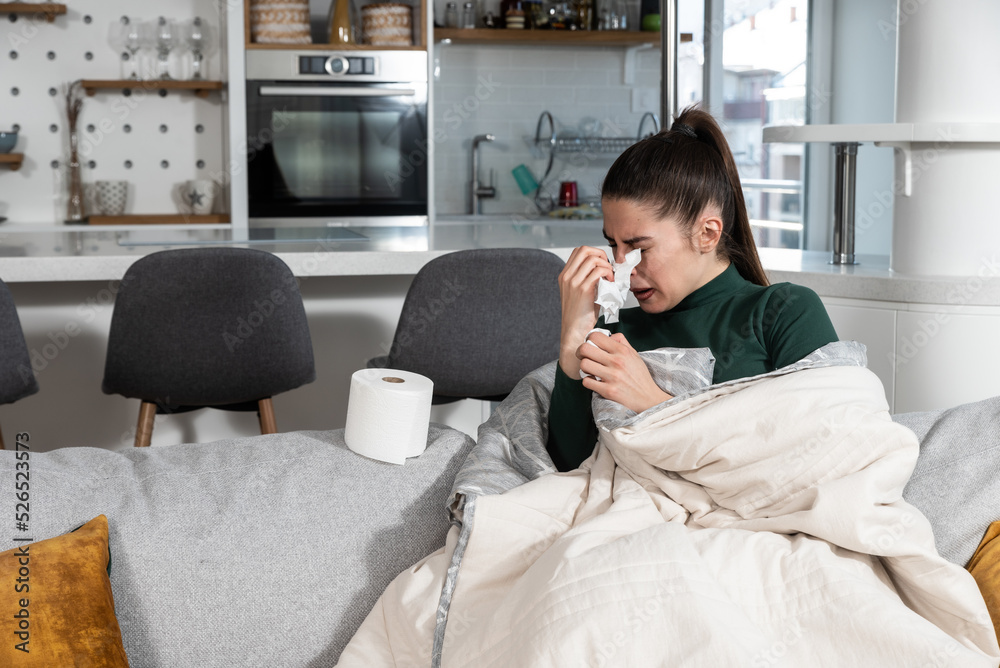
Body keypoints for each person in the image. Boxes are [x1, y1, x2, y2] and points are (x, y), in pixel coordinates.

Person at [546, 107, 839, 472]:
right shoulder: (616, 334)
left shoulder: (783, 311)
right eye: (613, 246)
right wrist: (574, 337)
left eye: (638, 248)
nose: (621, 267)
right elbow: (566, 468)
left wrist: (653, 403)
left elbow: (825, 449)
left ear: (707, 234)